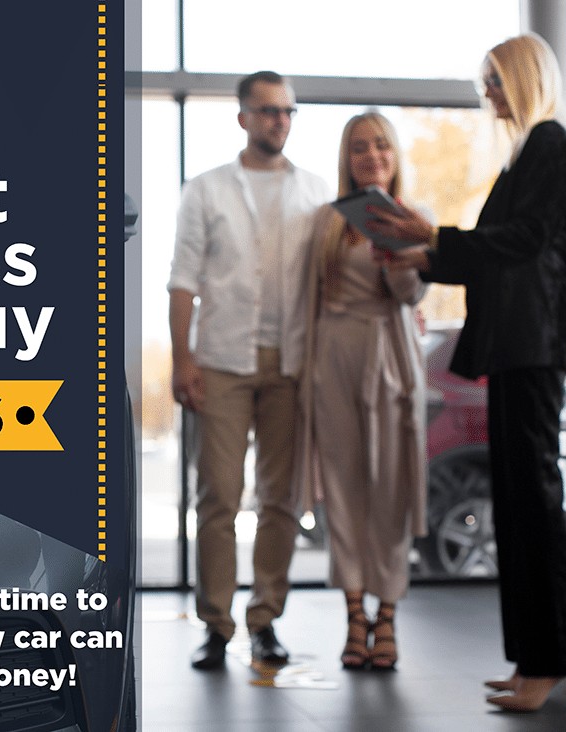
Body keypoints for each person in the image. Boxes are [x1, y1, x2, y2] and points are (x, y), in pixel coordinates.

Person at [373, 33, 566, 711]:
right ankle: (528, 661)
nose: (485, 92)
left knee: (535, 506)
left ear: (522, 78)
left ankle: (548, 664)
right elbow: (491, 254)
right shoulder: (523, 157)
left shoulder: (550, 145)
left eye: (493, 79)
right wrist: (421, 255)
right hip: (513, 349)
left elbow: (521, 244)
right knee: (517, 509)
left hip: (535, 349)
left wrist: (429, 239)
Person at [167, 71, 331, 670]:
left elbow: (331, 279)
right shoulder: (205, 190)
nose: (279, 120)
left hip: (291, 364)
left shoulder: (316, 192)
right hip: (221, 361)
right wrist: (182, 358)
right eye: (266, 111)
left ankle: (265, 620)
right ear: (242, 118)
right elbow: (183, 279)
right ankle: (216, 623)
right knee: (218, 497)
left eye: (287, 110)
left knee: (282, 501)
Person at [298, 111, 427, 671]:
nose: (371, 155)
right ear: (346, 160)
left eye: (380, 145)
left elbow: (410, 297)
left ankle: (388, 616)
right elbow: (310, 299)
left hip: (391, 360)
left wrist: (397, 257)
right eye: (358, 148)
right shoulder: (326, 221)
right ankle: (355, 616)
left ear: (394, 154)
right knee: (346, 493)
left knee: (392, 494)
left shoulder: (417, 220)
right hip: (334, 360)